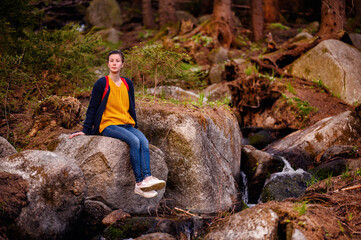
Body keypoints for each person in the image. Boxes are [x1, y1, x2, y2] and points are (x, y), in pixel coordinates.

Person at [69, 50, 165, 198]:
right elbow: (93, 107)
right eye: (111, 61)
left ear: (122, 64)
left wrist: (135, 127)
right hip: (109, 124)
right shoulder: (102, 83)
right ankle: (139, 183)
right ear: (108, 64)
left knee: (143, 141)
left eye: (117, 61)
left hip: (127, 123)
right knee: (134, 141)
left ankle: (147, 178)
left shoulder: (128, 83)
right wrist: (86, 130)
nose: (114, 63)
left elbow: (131, 107)